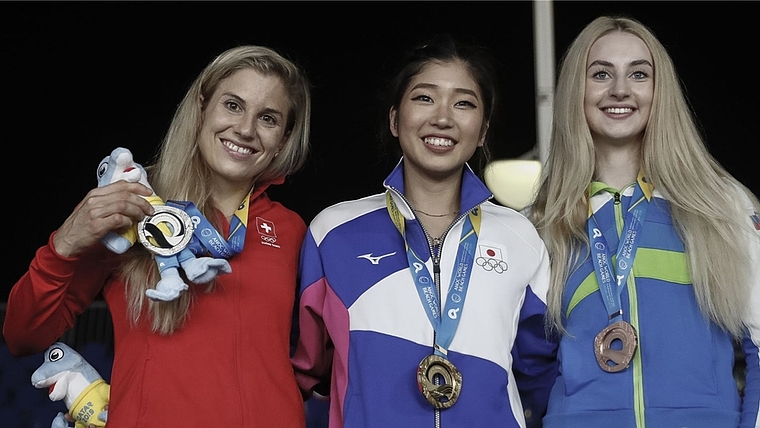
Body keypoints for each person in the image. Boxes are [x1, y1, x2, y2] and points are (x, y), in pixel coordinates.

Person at [3, 45, 312, 427]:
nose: (245, 129)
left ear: (282, 139)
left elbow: (311, 355)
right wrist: (64, 243)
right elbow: (23, 335)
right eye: (232, 105)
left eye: (268, 118)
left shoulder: (293, 230)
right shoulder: (133, 201)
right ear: (202, 108)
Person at [291, 35, 558, 428]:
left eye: (464, 102)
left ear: (482, 130)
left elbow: (540, 373)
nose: (443, 118)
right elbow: (304, 369)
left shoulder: (519, 237)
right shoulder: (333, 232)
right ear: (395, 119)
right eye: (424, 98)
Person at [528, 15, 760, 427]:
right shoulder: (542, 224)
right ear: (575, 92)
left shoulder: (721, 204)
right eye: (601, 74)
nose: (620, 90)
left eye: (639, 74)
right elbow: (529, 365)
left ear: (659, 90)